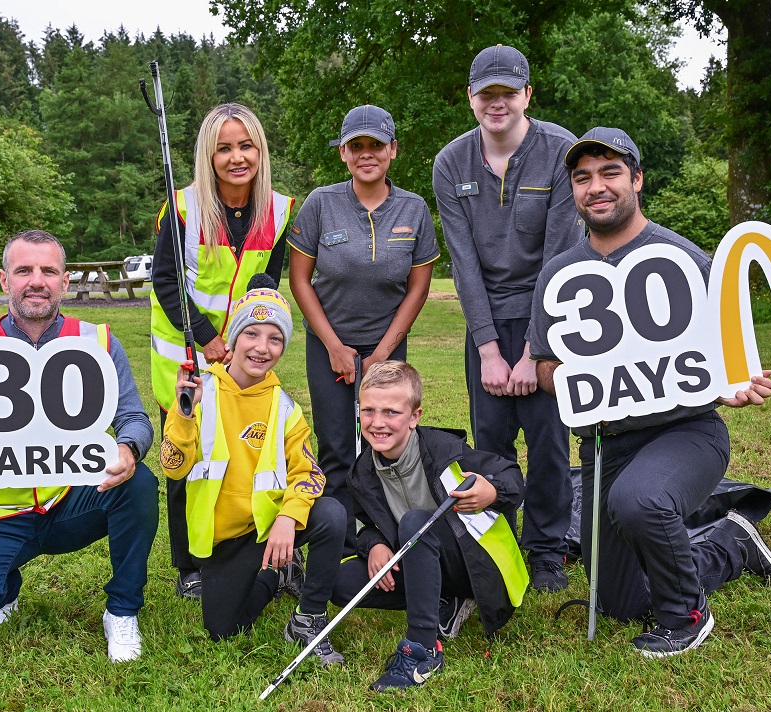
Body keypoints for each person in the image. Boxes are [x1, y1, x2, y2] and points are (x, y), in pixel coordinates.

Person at [529, 127, 771, 657]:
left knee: (640, 501)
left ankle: (684, 617)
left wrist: (732, 382)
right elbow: (546, 366)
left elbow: (727, 357)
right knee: (620, 601)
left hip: (685, 432)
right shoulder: (558, 274)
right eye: (582, 178)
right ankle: (731, 542)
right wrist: (576, 385)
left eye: (610, 173)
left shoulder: (685, 259)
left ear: (637, 179)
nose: (596, 187)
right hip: (604, 445)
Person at [0, 230, 159, 663]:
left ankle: (122, 610)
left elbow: (133, 417)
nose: (36, 281)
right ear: (5, 280)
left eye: (48, 271)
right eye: (24, 271)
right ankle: (4, 584)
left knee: (139, 484)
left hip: (73, 500)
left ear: (65, 280)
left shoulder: (98, 342)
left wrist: (130, 448)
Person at [432, 44, 584, 592]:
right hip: (487, 324)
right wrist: (490, 350)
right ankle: (499, 545)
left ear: (527, 95)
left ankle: (546, 551)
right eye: (486, 93)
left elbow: (559, 258)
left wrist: (533, 352)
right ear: (471, 98)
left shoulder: (561, 151)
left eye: (508, 92)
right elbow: (464, 263)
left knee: (548, 443)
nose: (497, 103)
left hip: (549, 317)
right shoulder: (451, 162)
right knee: (490, 445)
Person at [160, 278, 347, 665]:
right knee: (224, 631)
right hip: (226, 540)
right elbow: (172, 468)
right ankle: (278, 574)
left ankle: (309, 618)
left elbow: (309, 474)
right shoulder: (200, 391)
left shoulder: (284, 407)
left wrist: (287, 518)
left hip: (272, 528)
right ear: (233, 338)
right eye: (252, 334)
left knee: (330, 513)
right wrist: (181, 414)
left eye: (275, 338)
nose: (262, 347)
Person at [150, 102, 294, 600]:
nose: (237, 157)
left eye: (246, 145)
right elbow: (166, 281)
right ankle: (188, 564)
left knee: (239, 451)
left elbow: (265, 284)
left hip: (241, 355)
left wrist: (249, 341)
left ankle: (244, 547)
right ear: (208, 156)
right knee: (184, 458)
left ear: (260, 150)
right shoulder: (183, 206)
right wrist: (209, 337)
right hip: (186, 356)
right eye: (224, 148)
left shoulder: (278, 210)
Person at [288, 104, 439, 554]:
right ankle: (339, 541)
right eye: (357, 146)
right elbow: (300, 279)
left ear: (393, 149)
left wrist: (382, 355)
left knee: (388, 438)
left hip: (386, 343)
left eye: (376, 145)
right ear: (343, 153)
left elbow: (418, 287)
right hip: (328, 344)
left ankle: (388, 533)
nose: (366, 154)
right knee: (335, 444)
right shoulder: (321, 203)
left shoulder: (413, 208)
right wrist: (334, 345)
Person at [331, 361, 528, 691]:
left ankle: (423, 648)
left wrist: (491, 491)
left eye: (391, 412)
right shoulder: (362, 473)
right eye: (368, 411)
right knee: (341, 584)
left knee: (415, 523)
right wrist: (374, 544)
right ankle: (444, 603)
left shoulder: (446, 451)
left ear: (414, 417)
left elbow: (512, 475)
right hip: (420, 558)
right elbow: (369, 524)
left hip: (476, 566)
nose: (377, 423)